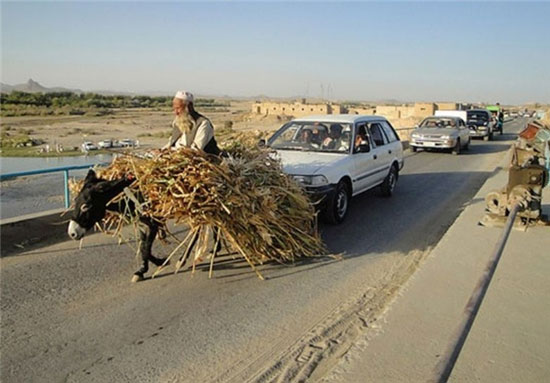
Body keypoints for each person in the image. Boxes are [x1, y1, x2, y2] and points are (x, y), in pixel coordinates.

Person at [162, 90, 220, 155]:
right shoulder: (178, 121)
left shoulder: (203, 123)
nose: (176, 112)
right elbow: (171, 142)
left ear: (189, 107)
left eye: (178, 108)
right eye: (174, 109)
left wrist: (173, 151)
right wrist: (162, 151)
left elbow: (196, 150)